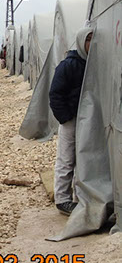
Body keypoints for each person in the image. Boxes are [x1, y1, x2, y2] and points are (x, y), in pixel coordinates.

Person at [49, 27, 93, 216]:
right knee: (66, 159)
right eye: (88, 40)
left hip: (88, 120)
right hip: (71, 120)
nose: (92, 44)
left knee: (84, 157)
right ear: (81, 42)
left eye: (94, 39)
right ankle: (62, 199)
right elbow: (55, 94)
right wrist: (66, 118)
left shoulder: (92, 64)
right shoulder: (69, 65)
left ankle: (80, 198)